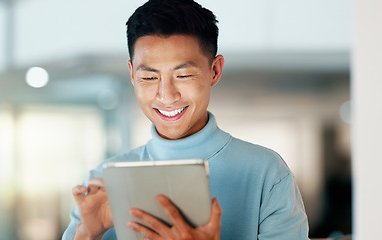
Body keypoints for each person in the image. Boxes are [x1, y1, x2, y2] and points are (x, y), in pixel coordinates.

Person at [62, 0, 309, 239]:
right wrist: (87, 235)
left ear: (215, 71)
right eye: (149, 78)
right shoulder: (103, 182)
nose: (166, 96)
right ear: (132, 74)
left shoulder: (266, 172)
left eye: (184, 75)